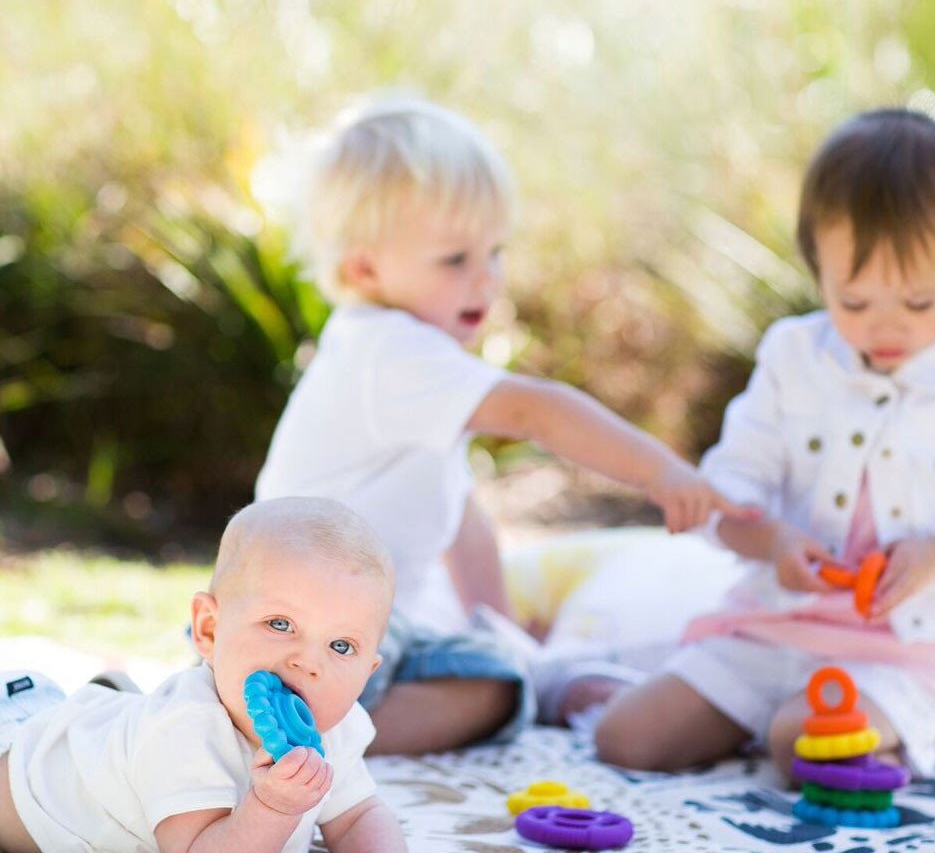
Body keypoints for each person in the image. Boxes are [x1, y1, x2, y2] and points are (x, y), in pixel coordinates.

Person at [255, 94, 749, 749]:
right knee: (494, 690)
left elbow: (462, 520)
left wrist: (501, 626)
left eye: (495, 252)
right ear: (364, 268)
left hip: (327, 628)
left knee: (495, 666)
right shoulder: (392, 354)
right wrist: (659, 469)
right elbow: (534, 410)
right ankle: (300, 733)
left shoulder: (395, 363)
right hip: (308, 633)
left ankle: (295, 714)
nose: (486, 280)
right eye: (455, 260)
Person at [595, 108, 935, 779]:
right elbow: (732, 483)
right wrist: (771, 542)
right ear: (817, 268)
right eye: (854, 302)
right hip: (778, 624)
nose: (885, 327)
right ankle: (765, 716)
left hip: (907, 647)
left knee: (801, 737)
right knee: (629, 738)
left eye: (917, 303)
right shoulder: (793, 356)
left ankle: (887, 726)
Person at [0, 497, 423, 853]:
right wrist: (272, 807)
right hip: (25, 778)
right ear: (209, 628)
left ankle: (110, 703)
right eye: (281, 624)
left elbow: (357, 815)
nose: (308, 663)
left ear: (367, 672)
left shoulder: (337, 729)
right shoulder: (187, 728)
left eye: (341, 646)